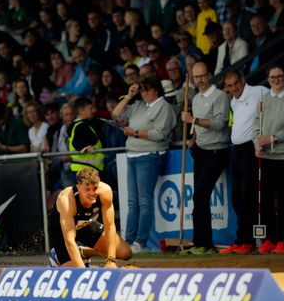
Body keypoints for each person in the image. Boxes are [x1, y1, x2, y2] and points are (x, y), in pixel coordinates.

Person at [112, 75, 176, 252]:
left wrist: (135, 133)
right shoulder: (139, 105)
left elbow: (160, 133)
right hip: (133, 155)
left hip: (150, 155)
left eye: (147, 89)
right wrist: (128, 96)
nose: (144, 93)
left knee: (144, 201)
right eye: (142, 89)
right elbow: (116, 114)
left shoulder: (164, 107)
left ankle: (140, 242)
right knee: (133, 202)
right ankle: (128, 241)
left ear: (156, 90)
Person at [181, 61, 230, 254]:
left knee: (201, 195)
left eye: (202, 76)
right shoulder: (196, 98)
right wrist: (193, 138)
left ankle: (206, 244)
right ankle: (198, 242)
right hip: (200, 150)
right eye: (196, 77)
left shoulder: (220, 96)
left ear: (209, 75)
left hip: (217, 151)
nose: (199, 80)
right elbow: (198, 127)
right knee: (198, 197)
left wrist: (193, 120)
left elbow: (220, 123)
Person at [252, 65, 284, 254]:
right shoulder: (264, 99)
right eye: (272, 77)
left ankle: (281, 240)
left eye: (279, 76)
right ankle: (269, 239)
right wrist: (257, 143)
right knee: (265, 200)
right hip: (268, 157)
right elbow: (256, 124)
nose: (276, 80)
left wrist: (273, 138)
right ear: (268, 79)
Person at [220, 70, 269, 254]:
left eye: (236, 83)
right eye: (230, 85)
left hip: (251, 149)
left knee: (249, 197)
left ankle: (248, 241)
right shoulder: (233, 101)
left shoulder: (259, 92)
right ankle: (241, 239)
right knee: (237, 199)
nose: (234, 88)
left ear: (242, 80)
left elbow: (273, 108)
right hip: (237, 151)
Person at [48, 167, 132, 268]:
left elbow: (109, 226)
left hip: (85, 223)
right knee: (76, 274)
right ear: (78, 187)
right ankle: (56, 256)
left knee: (125, 252)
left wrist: (111, 260)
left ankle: (83, 251)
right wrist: (84, 272)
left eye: (95, 188)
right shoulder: (67, 199)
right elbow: (69, 239)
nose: (92, 193)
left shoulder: (105, 191)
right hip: (62, 231)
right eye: (87, 189)